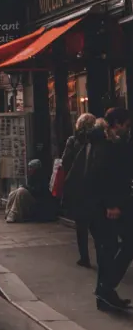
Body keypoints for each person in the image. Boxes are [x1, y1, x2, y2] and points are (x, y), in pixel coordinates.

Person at [86, 108, 133, 311]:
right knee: (121, 245)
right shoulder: (105, 144)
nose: (127, 129)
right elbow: (102, 175)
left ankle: (105, 294)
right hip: (106, 207)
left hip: (103, 205)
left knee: (109, 249)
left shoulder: (102, 141)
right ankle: (106, 289)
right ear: (116, 124)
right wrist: (112, 204)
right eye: (126, 125)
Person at [61, 113, 97, 267]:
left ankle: (84, 257)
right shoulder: (97, 140)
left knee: (81, 226)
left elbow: (65, 161)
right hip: (93, 186)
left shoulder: (73, 140)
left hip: (78, 188)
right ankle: (102, 253)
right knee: (96, 225)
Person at [5, 159, 56, 223]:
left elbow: (37, 191)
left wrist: (26, 188)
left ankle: (14, 214)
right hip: (33, 198)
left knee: (21, 191)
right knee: (13, 192)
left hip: (38, 201)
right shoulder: (31, 176)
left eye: (31, 167)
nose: (29, 169)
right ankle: (8, 212)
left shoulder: (42, 177)